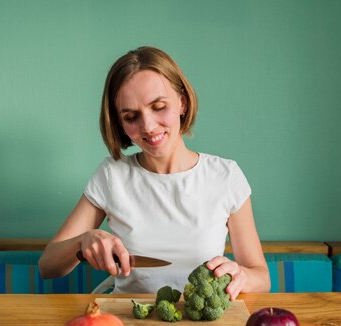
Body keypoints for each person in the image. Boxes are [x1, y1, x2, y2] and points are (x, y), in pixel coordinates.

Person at [38, 46, 270, 299]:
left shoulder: (225, 176)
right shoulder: (111, 176)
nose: (147, 126)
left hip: (200, 325)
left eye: (159, 106)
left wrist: (243, 276)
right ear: (119, 122)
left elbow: (261, 277)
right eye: (131, 116)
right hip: (128, 323)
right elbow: (48, 266)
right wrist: (82, 241)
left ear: (182, 102)